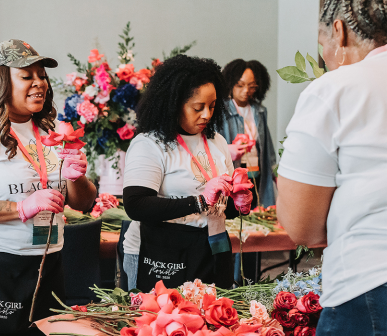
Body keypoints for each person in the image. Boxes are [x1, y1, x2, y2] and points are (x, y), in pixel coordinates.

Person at [0, 39, 96, 335]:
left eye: (42, 76)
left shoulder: (52, 129)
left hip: (47, 262)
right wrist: (21, 207)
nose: (39, 83)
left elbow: (83, 203)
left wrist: (77, 179)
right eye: (27, 76)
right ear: (0, 81)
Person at [277, 0, 387, 333]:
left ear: (338, 32)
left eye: (321, 42)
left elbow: (303, 227)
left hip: (371, 280)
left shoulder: (337, 89)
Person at [121, 55, 251, 292]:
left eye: (212, 106)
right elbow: (136, 205)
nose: (207, 115)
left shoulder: (216, 141)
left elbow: (224, 207)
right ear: (173, 104)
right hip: (162, 249)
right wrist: (200, 202)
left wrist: (239, 201)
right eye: (197, 107)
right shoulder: (150, 143)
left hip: (213, 247)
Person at [218, 59, 275, 208]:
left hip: (257, 176)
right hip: (234, 180)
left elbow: (267, 148)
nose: (246, 91)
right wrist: (228, 150)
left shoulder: (260, 111)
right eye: (240, 85)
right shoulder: (221, 111)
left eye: (252, 86)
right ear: (230, 84)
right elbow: (211, 146)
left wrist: (276, 174)